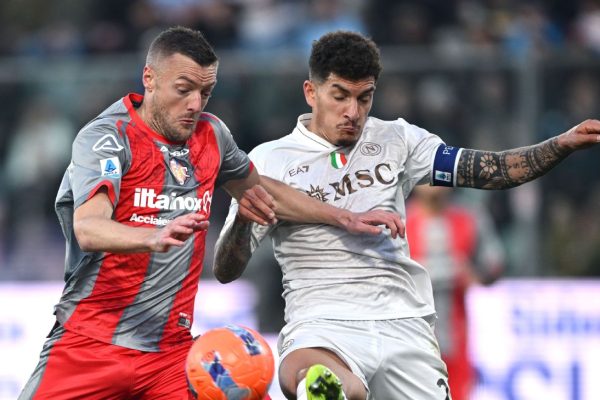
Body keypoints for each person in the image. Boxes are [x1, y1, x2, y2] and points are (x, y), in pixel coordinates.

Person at [18, 27, 403, 400]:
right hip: (90, 343)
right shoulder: (107, 138)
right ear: (149, 79)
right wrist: (152, 236)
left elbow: (262, 190)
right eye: (183, 90)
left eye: (206, 92)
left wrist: (342, 216)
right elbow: (89, 228)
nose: (195, 104)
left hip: (170, 355)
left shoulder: (212, 136)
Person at [213, 30, 600, 400]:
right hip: (323, 322)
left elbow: (493, 170)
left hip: (404, 324)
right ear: (311, 92)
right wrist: (244, 220)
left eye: (364, 98)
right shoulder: (270, 161)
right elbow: (227, 270)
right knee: (309, 374)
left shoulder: (399, 139)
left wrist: (560, 144)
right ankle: (328, 387)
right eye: (340, 96)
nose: (353, 112)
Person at [406, 185, 505, 400]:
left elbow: (494, 263)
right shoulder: (399, 221)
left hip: (457, 334)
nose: (431, 182)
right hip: (410, 336)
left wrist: (472, 275)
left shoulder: (468, 218)